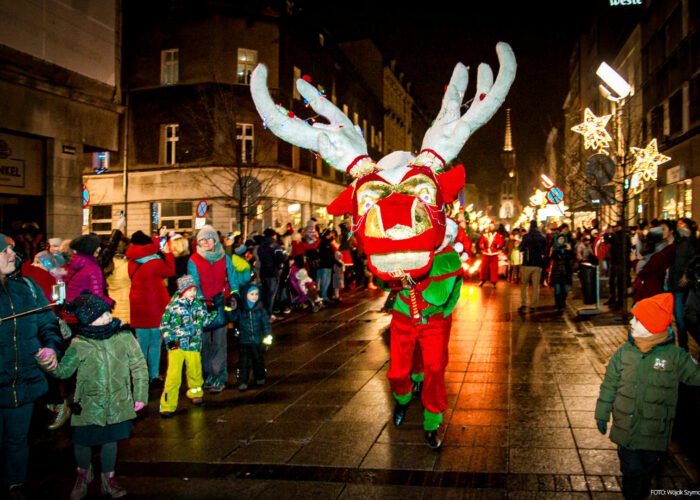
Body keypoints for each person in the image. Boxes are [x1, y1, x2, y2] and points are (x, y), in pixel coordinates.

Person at [40, 290, 147, 500]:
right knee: (82, 443)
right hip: (88, 404)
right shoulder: (79, 344)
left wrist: (140, 394)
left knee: (110, 441)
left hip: (117, 402)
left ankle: (109, 479)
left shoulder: (124, 337)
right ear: (88, 321)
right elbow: (63, 371)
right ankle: (83, 473)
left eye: (107, 312)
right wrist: (46, 362)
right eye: (101, 315)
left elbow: (139, 366)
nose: (108, 316)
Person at [595, 293, 700, 500]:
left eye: (638, 319)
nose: (631, 322)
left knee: (645, 473)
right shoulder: (624, 352)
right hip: (626, 431)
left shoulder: (674, 357)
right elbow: (609, 384)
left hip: (655, 433)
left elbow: (695, 375)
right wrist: (602, 412)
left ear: (653, 326)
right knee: (631, 473)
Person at [0, 235, 62, 498]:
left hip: (23, 382)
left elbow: (48, 323)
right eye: (4, 250)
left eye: (12, 249)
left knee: (17, 440)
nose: (12, 254)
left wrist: (52, 348)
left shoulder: (29, 285)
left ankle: (16, 484)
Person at [188, 225, 249, 393]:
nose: (206, 242)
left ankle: (219, 377)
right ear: (198, 242)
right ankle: (208, 375)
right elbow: (194, 283)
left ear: (215, 241)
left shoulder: (224, 257)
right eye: (202, 239)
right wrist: (202, 302)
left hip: (220, 303)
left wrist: (234, 294)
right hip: (203, 306)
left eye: (209, 238)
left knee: (220, 343)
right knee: (204, 344)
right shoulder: (193, 260)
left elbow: (232, 277)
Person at [159, 275, 218, 416]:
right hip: (177, 346)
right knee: (173, 376)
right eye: (189, 290)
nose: (192, 293)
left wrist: (213, 313)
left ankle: (196, 393)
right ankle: (167, 405)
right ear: (181, 291)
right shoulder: (173, 306)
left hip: (194, 344)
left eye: (194, 290)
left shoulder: (199, 304)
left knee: (195, 371)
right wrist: (170, 341)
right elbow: (164, 325)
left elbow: (203, 323)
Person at [126, 231, 175, 386]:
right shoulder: (155, 263)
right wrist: (168, 252)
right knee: (155, 343)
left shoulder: (131, 262)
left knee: (141, 344)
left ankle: (138, 375)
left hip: (138, 307)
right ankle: (153, 375)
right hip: (154, 308)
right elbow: (170, 271)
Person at [64, 234, 115, 332]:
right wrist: (110, 302)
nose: (99, 249)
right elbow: (97, 296)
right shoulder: (93, 268)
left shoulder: (68, 265)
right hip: (84, 315)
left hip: (68, 312)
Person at [233, 284, 272, 391]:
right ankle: (243, 381)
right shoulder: (241, 310)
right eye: (251, 294)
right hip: (244, 341)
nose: (254, 296)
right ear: (245, 296)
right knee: (244, 362)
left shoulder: (260, 310)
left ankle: (260, 377)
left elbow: (266, 324)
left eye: (256, 294)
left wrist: (268, 336)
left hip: (257, 340)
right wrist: (231, 308)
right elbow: (234, 318)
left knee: (258, 360)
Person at [668, 218, 696, 350]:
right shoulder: (676, 244)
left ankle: (683, 346)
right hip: (674, 286)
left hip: (680, 286)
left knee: (681, 319)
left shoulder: (686, 245)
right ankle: (682, 346)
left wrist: (686, 274)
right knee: (678, 318)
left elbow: (691, 262)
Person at [632, 223, 675, 303]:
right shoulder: (659, 251)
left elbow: (644, 270)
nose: (660, 231)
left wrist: (634, 262)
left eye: (663, 229)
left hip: (651, 291)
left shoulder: (660, 254)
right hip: (652, 289)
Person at [519, 220, 547, 312]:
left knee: (524, 285)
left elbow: (521, 248)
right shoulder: (542, 237)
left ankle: (524, 304)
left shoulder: (526, 237)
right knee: (536, 286)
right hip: (538, 264)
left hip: (527, 263)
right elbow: (545, 250)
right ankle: (533, 306)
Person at [549, 233, 574, 313]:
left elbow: (572, 258)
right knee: (558, 290)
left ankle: (563, 301)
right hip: (557, 272)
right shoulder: (555, 250)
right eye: (560, 239)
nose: (561, 241)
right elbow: (550, 258)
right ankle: (558, 304)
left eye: (562, 239)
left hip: (566, 272)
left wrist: (569, 250)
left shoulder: (568, 251)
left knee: (566, 290)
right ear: (557, 240)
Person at [478, 221, 504, 287]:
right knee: (483, 268)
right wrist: (482, 246)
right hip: (486, 253)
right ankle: (482, 280)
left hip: (494, 253)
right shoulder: (485, 234)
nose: (491, 227)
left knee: (494, 268)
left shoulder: (497, 235)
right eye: (490, 226)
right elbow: (481, 243)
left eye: (492, 226)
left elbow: (500, 243)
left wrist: (497, 246)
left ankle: (494, 282)